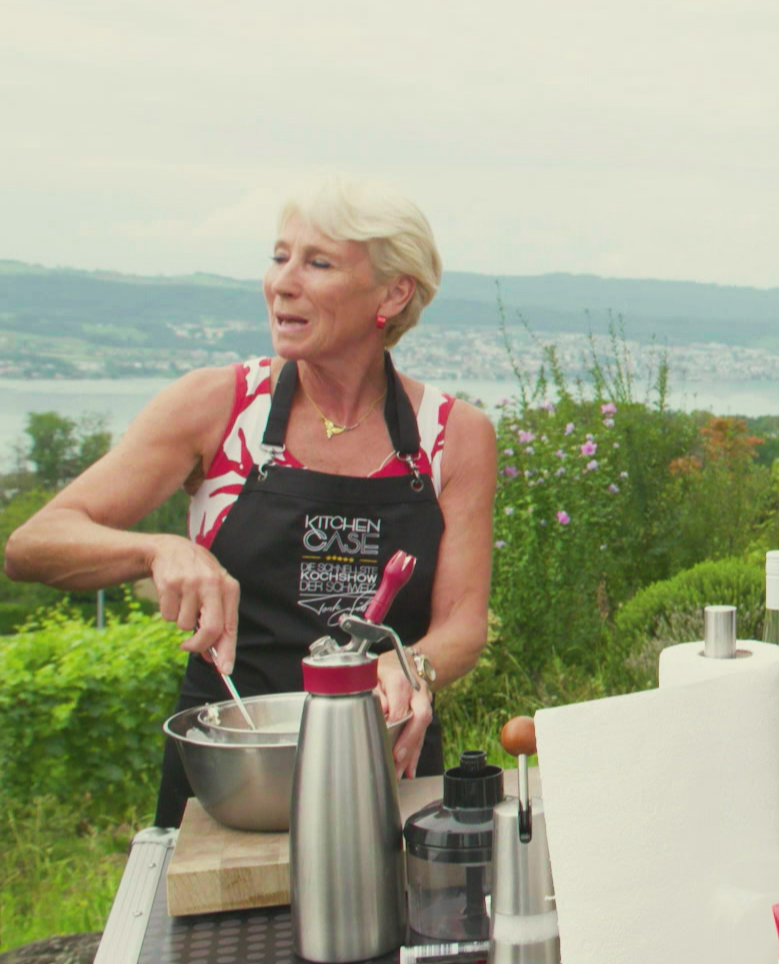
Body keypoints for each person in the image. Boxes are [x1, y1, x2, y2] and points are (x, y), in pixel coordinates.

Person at [5, 177, 497, 828]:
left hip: (388, 772)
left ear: (393, 292)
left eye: (317, 263)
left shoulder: (452, 435)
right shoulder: (216, 406)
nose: (282, 283)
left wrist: (412, 665)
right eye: (279, 257)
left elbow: (463, 622)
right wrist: (157, 549)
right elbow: (32, 545)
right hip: (233, 780)